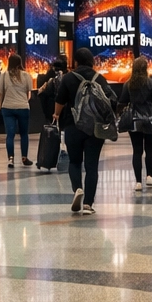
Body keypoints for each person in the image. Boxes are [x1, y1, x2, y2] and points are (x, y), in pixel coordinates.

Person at [53, 48, 114, 215]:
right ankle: (88, 204)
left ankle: (77, 189)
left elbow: (60, 100)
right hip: (95, 128)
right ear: (91, 61)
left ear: (76, 62)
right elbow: (111, 100)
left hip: (73, 125)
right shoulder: (99, 78)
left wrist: (56, 114)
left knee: (74, 162)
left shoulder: (68, 78)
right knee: (92, 166)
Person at [120, 56, 152, 190]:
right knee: (150, 149)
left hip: (134, 120)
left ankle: (138, 182)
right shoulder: (151, 83)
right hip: (150, 119)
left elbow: (122, 101)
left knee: (137, 151)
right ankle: (149, 177)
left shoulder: (128, 84)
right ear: (146, 68)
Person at [0, 52, 33, 168]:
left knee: (10, 135)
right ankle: (24, 158)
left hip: (8, 108)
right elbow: (28, 93)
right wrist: (23, 101)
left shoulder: (4, 75)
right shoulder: (26, 75)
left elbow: (0, 92)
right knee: (24, 134)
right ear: (20, 63)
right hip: (23, 108)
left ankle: (10, 159)